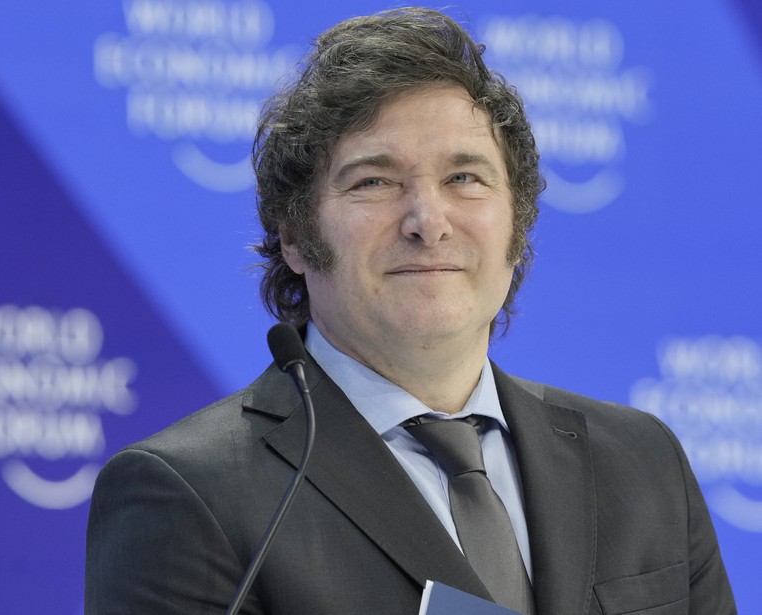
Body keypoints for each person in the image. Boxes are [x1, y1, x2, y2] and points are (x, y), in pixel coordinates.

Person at [84, 7, 737, 614]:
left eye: (464, 178)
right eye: (374, 181)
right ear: (294, 236)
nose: (428, 220)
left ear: (517, 228)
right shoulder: (191, 493)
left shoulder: (642, 460)